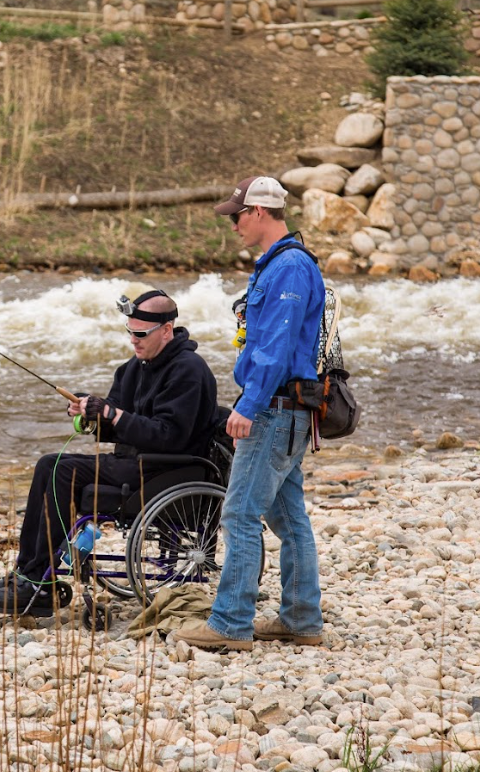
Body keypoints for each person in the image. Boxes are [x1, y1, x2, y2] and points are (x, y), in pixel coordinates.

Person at [0, 289, 218, 617]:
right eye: (129, 331)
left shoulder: (189, 370)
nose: (133, 340)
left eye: (141, 333)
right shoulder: (133, 368)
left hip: (167, 468)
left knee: (61, 469)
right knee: (49, 464)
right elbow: (116, 426)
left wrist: (110, 413)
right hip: (133, 462)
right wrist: (92, 416)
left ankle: (36, 584)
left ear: (166, 329)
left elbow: (168, 435)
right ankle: (29, 574)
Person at [173, 176, 326, 652]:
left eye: (237, 215)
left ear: (259, 212)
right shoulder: (279, 265)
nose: (233, 224)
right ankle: (302, 619)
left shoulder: (289, 268)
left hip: (275, 410)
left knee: (239, 513)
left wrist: (248, 405)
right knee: (288, 515)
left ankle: (231, 623)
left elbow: (276, 347)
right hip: (290, 410)